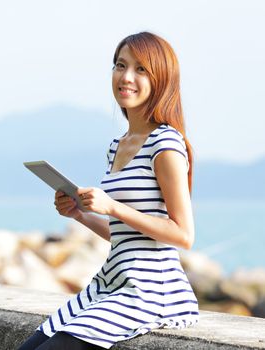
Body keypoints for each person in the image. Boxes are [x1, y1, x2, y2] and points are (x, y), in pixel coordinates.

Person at [17, 31, 199, 350]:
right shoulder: (117, 146)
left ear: (162, 78)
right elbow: (127, 234)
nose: (126, 77)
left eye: (141, 69)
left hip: (152, 292)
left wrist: (112, 207)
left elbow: (183, 234)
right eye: (120, 65)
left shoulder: (166, 144)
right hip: (110, 284)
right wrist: (82, 215)